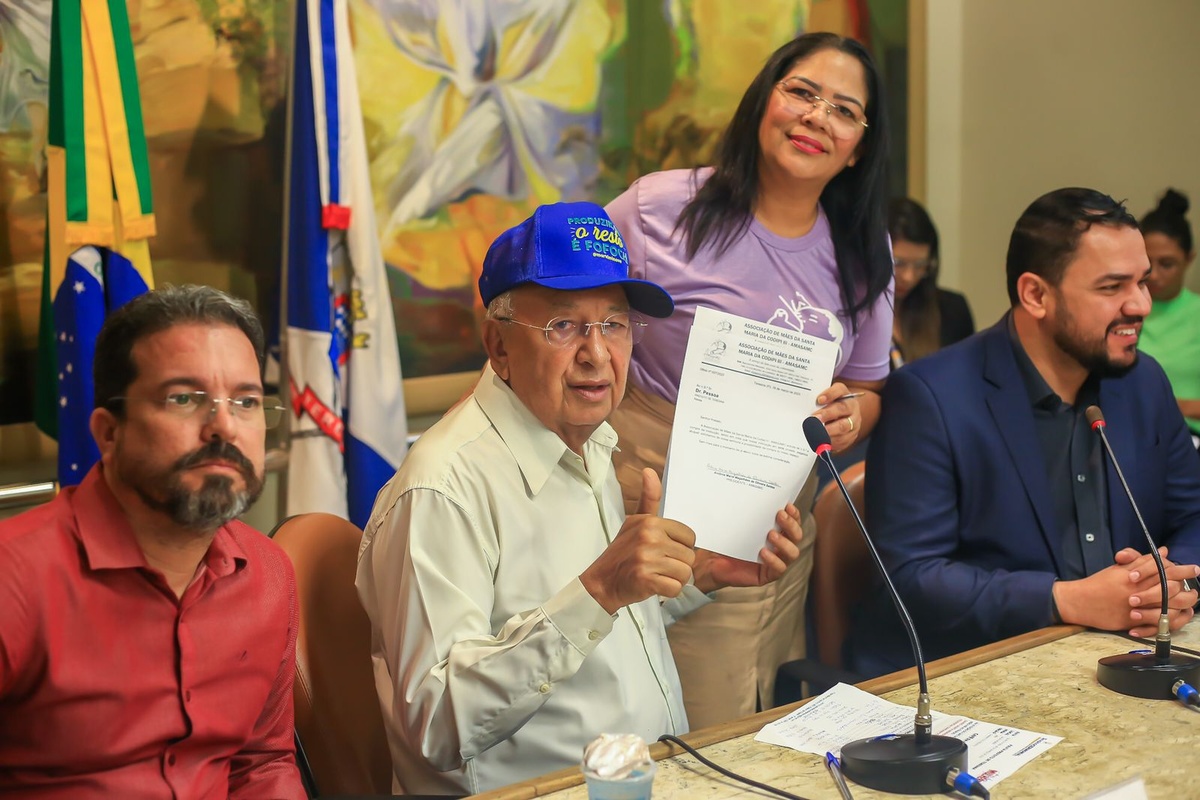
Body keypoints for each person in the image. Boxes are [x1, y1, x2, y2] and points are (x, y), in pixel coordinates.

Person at [355, 202, 805, 795]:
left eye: (615, 325)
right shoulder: (441, 487)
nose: (597, 354)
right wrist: (601, 589)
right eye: (564, 327)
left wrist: (697, 575)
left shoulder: (586, 440)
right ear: (499, 346)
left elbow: (590, 630)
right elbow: (436, 724)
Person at [605, 31, 894, 725]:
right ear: (764, 98)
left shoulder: (862, 251)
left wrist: (856, 412)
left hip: (778, 521)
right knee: (670, 721)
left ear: (859, 143)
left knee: (762, 714)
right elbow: (562, 315)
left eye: (844, 110)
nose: (816, 117)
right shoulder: (656, 209)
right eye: (801, 92)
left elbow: (869, 387)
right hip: (654, 498)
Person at [846, 188, 1200, 677]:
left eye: (1141, 282)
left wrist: (1174, 584)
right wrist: (1065, 600)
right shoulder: (931, 397)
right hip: (969, 677)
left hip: (1120, 657)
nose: (1140, 305)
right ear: (1036, 294)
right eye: (1112, 287)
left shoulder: (1144, 382)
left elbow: (1194, 515)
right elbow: (911, 577)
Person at [0, 286, 303, 798]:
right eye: (183, 398)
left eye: (246, 402)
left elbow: (261, 763)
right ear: (108, 434)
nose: (223, 426)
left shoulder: (268, 572)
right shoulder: (16, 579)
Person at [1137, 188, 1200, 445]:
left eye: (1167, 264)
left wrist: (1177, 406)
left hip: (1187, 438)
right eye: (1147, 263)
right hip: (1128, 434)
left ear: (1189, 259)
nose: (1154, 275)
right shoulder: (1122, 311)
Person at [889, 197, 975, 369]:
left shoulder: (951, 310)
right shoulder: (854, 316)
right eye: (898, 263)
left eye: (920, 265)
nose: (909, 277)